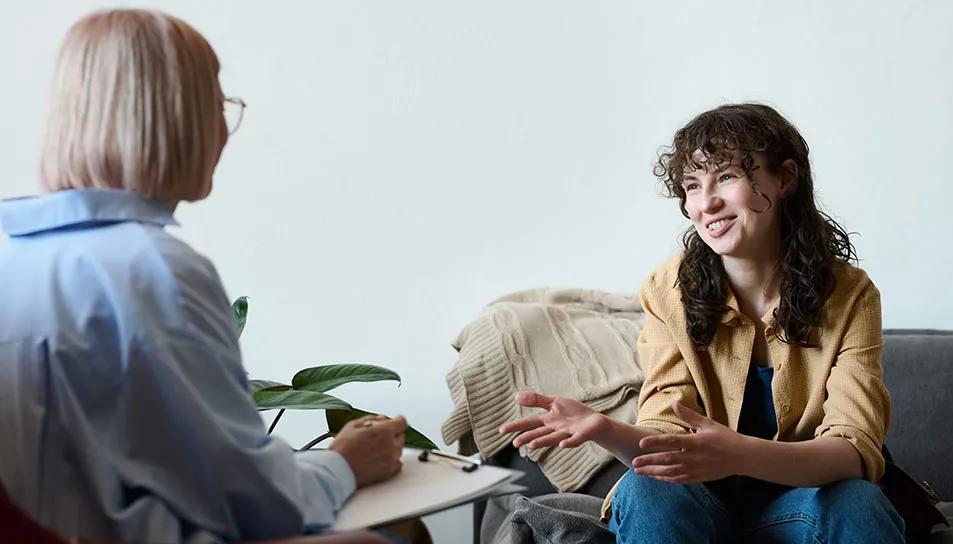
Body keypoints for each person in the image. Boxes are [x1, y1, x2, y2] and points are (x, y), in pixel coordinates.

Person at [0, 9, 406, 543]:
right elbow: (257, 507)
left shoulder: (13, 252)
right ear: (174, 117)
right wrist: (346, 462)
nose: (223, 129)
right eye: (217, 104)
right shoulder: (153, 273)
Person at [499, 103, 906, 542]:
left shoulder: (850, 294)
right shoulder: (665, 289)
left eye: (726, 177)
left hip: (799, 512)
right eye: (692, 186)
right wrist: (605, 429)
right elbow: (664, 443)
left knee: (857, 501)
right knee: (647, 488)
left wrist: (739, 455)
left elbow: (853, 452)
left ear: (785, 178)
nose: (706, 203)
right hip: (696, 511)